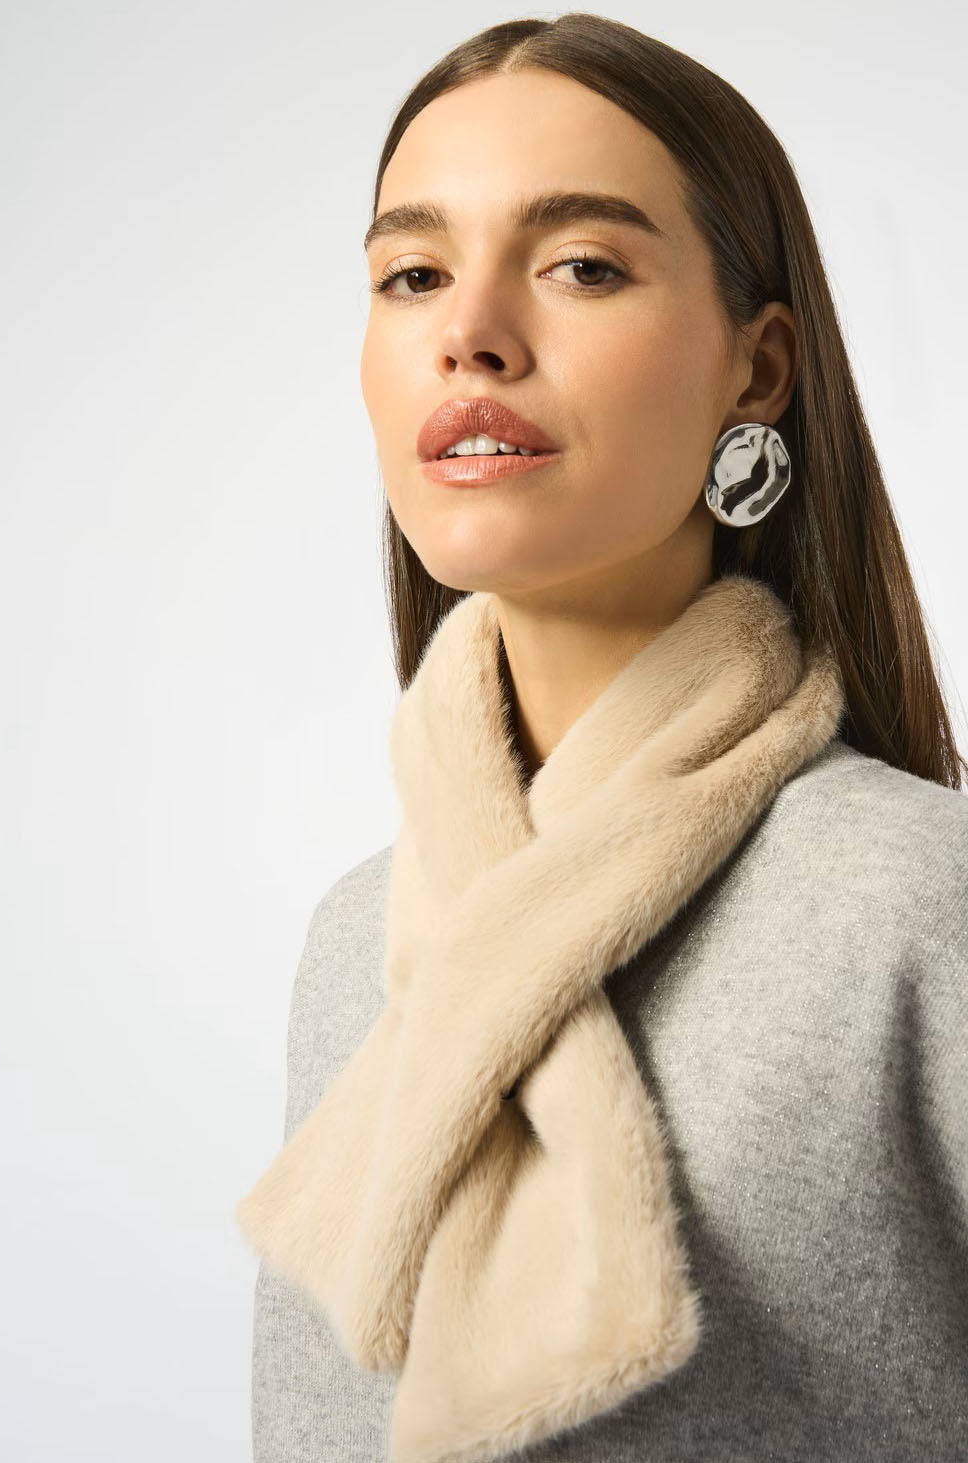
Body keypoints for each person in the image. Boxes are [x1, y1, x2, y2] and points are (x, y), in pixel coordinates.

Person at [236, 14, 968, 1462]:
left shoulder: (918, 905)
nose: (474, 330)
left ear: (758, 374)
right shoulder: (354, 940)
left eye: (581, 265)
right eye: (413, 274)